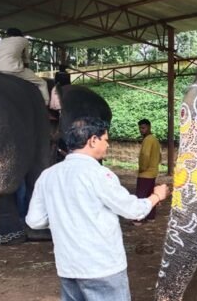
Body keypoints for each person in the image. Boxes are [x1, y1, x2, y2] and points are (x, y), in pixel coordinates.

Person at [26, 116, 170, 301]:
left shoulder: (47, 176)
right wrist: (157, 196)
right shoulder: (99, 174)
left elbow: (34, 220)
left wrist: (63, 216)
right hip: (103, 267)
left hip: (68, 267)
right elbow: (133, 210)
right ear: (93, 140)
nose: (108, 145)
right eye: (106, 140)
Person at [0, 28, 49, 105]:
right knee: (42, 83)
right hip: (11, 69)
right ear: (20, 34)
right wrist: (27, 69)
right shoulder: (24, 40)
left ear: (8, 35)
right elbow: (26, 59)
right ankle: (45, 105)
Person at [133, 119, 161, 226]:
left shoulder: (148, 140)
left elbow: (145, 155)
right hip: (153, 173)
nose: (141, 130)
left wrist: (142, 168)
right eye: (140, 128)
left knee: (141, 196)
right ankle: (150, 217)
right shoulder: (154, 139)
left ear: (149, 127)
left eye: (143, 128)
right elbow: (159, 156)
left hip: (145, 173)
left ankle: (138, 219)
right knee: (150, 195)